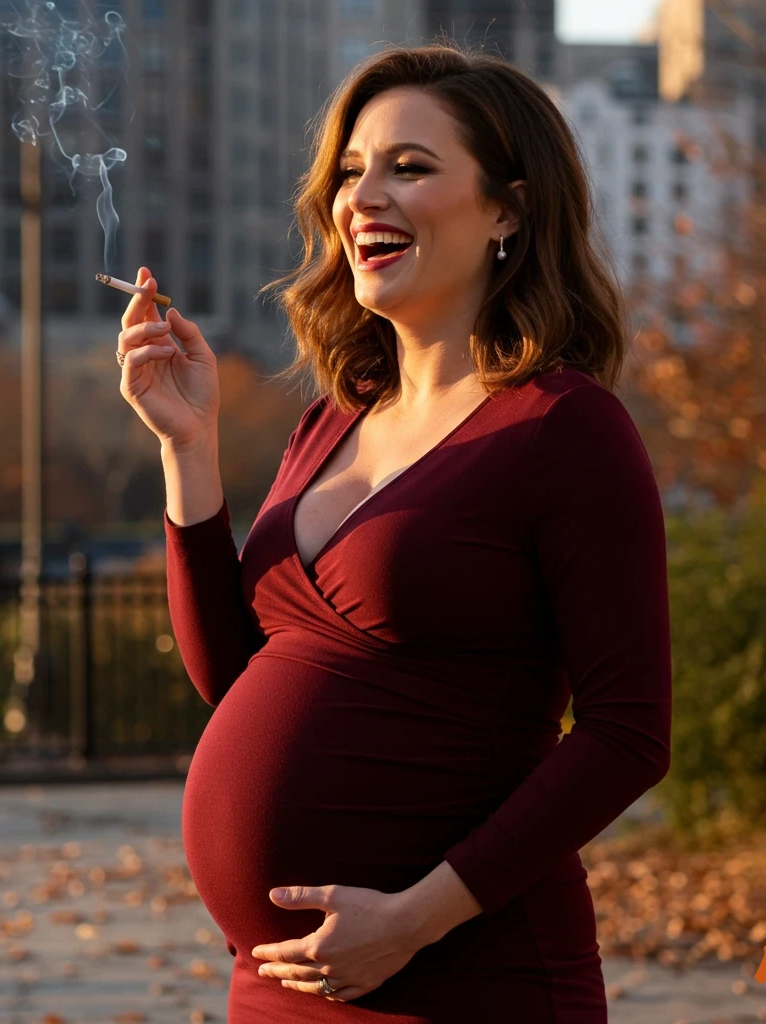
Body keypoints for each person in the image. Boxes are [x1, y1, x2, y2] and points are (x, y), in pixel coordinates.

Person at [116, 42, 671, 1024]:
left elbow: (630, 733)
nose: (361, 196)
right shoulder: (332, 419)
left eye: (409, 167)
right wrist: (188, 450)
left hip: (465, 972)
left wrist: (416, 917)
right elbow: (232, 678)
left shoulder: (563, 426)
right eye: (349, 171)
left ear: (507, 207)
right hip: (282, 984)